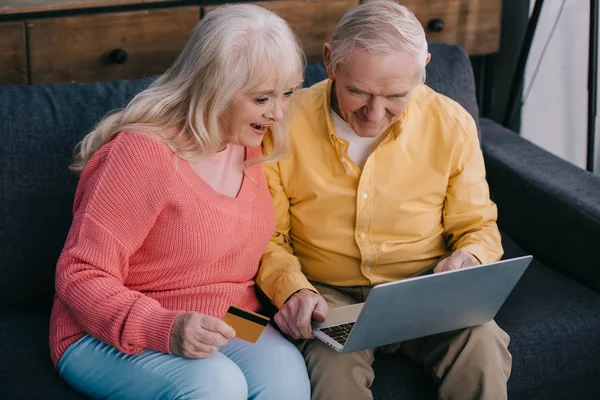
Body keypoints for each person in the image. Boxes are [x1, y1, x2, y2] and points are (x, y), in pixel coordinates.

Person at [49, 4, 311, 400]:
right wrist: (164, 328)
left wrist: (297, 296)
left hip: (232, 318)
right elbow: (79, 274)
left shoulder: (254, 144)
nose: (277, 112)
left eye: (286, 94)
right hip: (106, 326)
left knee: (288, 373)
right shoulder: (143, 154)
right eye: (262, 98)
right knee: (217, 385)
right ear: (214, 88)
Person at [257, 1, 511, 399]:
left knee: (482, 345)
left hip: (425, 292)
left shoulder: (452, 123)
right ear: (329, 62)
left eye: (396, 95)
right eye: (357, 92)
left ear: (423, 65)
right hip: (330, 297)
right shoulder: (283, 125)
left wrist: (472, 258)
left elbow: (477, 226)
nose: (374, 114)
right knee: (332, 374)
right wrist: (294, 291)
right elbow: (268, 238)